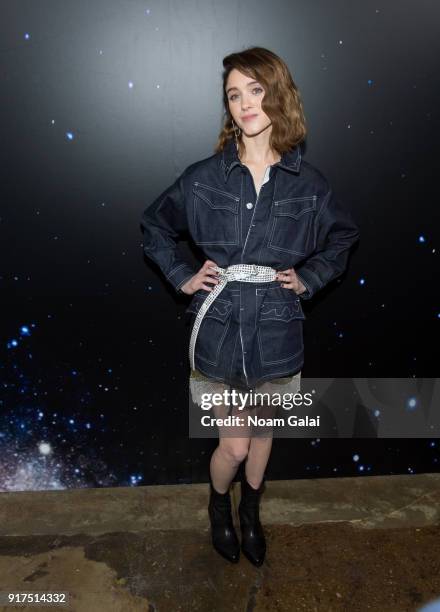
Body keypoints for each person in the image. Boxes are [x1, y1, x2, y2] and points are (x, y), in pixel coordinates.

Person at [140, 46, 360, 566]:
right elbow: (154, 226)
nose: (244, 104)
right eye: (234, 95)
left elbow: (343, 236)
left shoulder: (310, 184)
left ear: (278, 94)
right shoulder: (203, 178)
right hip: (217, 330)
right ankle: (220, 503)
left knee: (264, 435)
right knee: (234, 447)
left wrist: (309, 278)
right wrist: (182, 276)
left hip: (279, 330)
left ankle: (252, 510)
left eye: (255, 91)